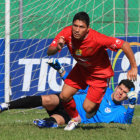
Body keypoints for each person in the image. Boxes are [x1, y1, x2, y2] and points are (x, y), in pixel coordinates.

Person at [47, 11, 138, 130]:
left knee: (88, 108)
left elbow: (124, 45)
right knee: (64, 96)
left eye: (81, 27)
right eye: (75, 25)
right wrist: (57, 48)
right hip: (81, 69)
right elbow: (49, 51)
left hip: (99, 74)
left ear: (87, 29)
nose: (77, 30)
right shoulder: (66, 33)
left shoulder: (97, 38)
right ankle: (75, 119)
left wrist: (133, 67)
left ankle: (96, 105)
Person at [0, 59, 138, 130]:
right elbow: (74, 85)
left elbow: (126, 121)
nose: (121, 93)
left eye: (125, 93)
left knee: (58, 120)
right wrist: (60, 70)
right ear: (116, 87)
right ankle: (6, 105)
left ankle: (45, 123)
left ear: (127, 97)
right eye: (120, 89)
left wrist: (132, 106)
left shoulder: (120, 111)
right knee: (48, 99)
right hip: (68, 101)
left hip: (73, 116)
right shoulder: (101, 89)